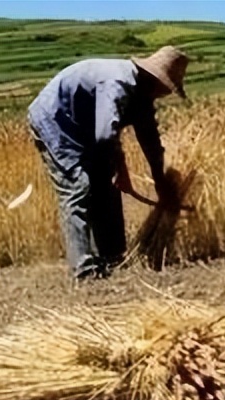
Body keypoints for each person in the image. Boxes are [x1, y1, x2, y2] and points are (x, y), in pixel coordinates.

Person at [28, 45, 189, 280]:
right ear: (157, 80)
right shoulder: (118, 84)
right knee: (78, 186)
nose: (165, 94)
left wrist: (160, 181)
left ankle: (112, 256)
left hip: (84, 128)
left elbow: (150, 141)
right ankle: (83, 269)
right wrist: (120, 169)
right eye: (167, 88)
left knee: (106, 186)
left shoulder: (143, 95)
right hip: (56, 122)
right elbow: (105, 135)